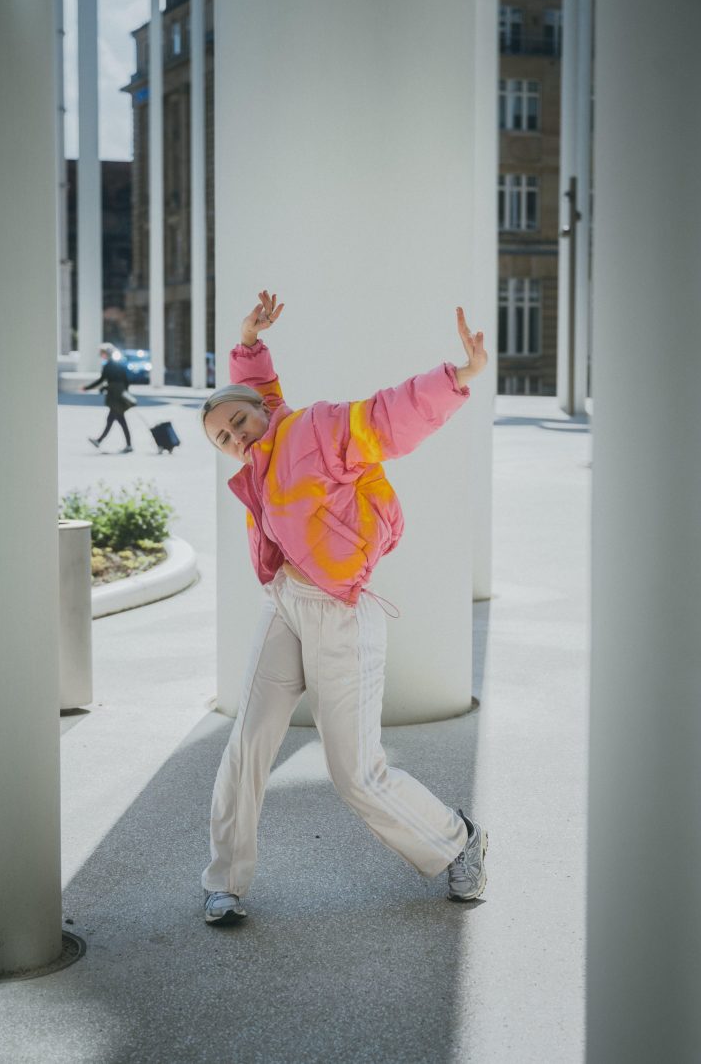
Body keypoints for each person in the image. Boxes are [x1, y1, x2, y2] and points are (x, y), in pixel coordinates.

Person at [200, 290, 489, 925]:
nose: (235, 437)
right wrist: (249, 345)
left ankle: (456, 840)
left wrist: (457, 377)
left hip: (342, 614)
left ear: (262, 413)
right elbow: (257, 396)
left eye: (239, 423)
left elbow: (388, 416)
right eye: (223, 438)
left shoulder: (318, 429)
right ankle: (224, 880)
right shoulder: (264, 454)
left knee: (354, 772)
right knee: (249, 742)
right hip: (285, 605)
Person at [82, 343, 134, 453]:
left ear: (106, 354)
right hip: (119, 395)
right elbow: (125, 380)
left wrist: (87, 388)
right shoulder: (119, 364)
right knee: (119, 420)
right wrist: (125, 393)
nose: (101, 355)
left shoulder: (109, 365)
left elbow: (102, 380)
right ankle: (127, 445)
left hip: (115, 396)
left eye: (102, 353)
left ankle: (100, 441)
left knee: (113, 419)